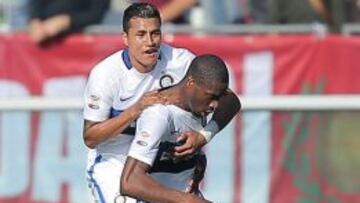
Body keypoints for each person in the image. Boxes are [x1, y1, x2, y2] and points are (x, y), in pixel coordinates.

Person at [83, 3, 241, 203]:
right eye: (140, 35)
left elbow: (230, 99)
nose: (150, 42)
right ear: (126, 38)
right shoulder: (105, 74)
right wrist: (135, 110)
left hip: (159, 164)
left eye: (155, 33)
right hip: (115, 160)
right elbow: (90, 137)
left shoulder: (180, 61)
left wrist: (204, 135)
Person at [121, 54, 232, 203]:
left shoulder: (199, 103)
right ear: (191, 83)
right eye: (211, 96)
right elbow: (130, 182)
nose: (215, 105)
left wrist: (204, 136)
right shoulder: (159, 115)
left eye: (219, 97)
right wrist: (187, 201)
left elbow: (232, 102)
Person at [28, 0, 110, 44]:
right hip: (45, 43)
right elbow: (35, 5)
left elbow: (97, 14)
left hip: (83, 45)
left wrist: (67, 21)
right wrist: (35, 20)